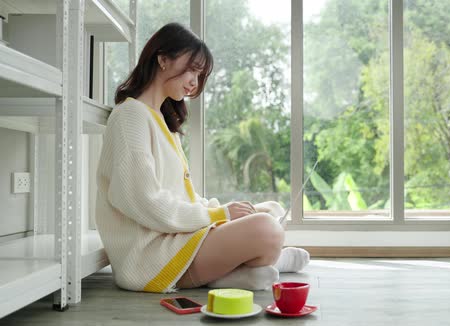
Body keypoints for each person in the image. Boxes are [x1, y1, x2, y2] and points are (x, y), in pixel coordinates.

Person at [95, 22, 309, 293]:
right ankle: (265, 261)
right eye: (193, 70)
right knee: (266, 229)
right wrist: (218, 214)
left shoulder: (161, 119)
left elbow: (181, 198)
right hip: (152, 255)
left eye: (200, 75)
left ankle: (242, 273)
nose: (195, 83)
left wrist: (222, 211)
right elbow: (145, 201)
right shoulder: (130, 116)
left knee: (271, 210)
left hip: (177, 236)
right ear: (162, 59)